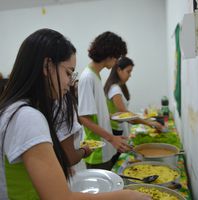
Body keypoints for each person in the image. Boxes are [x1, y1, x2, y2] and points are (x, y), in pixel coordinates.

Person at [0, 29, 151, 200]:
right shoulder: (27, 117)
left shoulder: (13, 110)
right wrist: (125, 196)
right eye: (68, 73)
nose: (69, 83)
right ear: (47, 66)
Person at [78, 31, 132, 170]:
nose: (116, 62)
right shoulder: (87, 77)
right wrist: (112, 138)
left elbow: (95, 113)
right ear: (109, 55)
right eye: (116, 57)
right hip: (96, 151)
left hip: (104, 147)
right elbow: (84, 118)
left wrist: (111, 116)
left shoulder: (96, 76)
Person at [104, 56, 164, 138]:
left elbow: (128, 115)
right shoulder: (115, 89)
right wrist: (148, 123)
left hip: (118, 129)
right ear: (119, 70)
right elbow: (126, 115)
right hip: (114, 131)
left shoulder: (118, 87)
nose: (130, 75)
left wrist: (146, 121)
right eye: (128, 72)